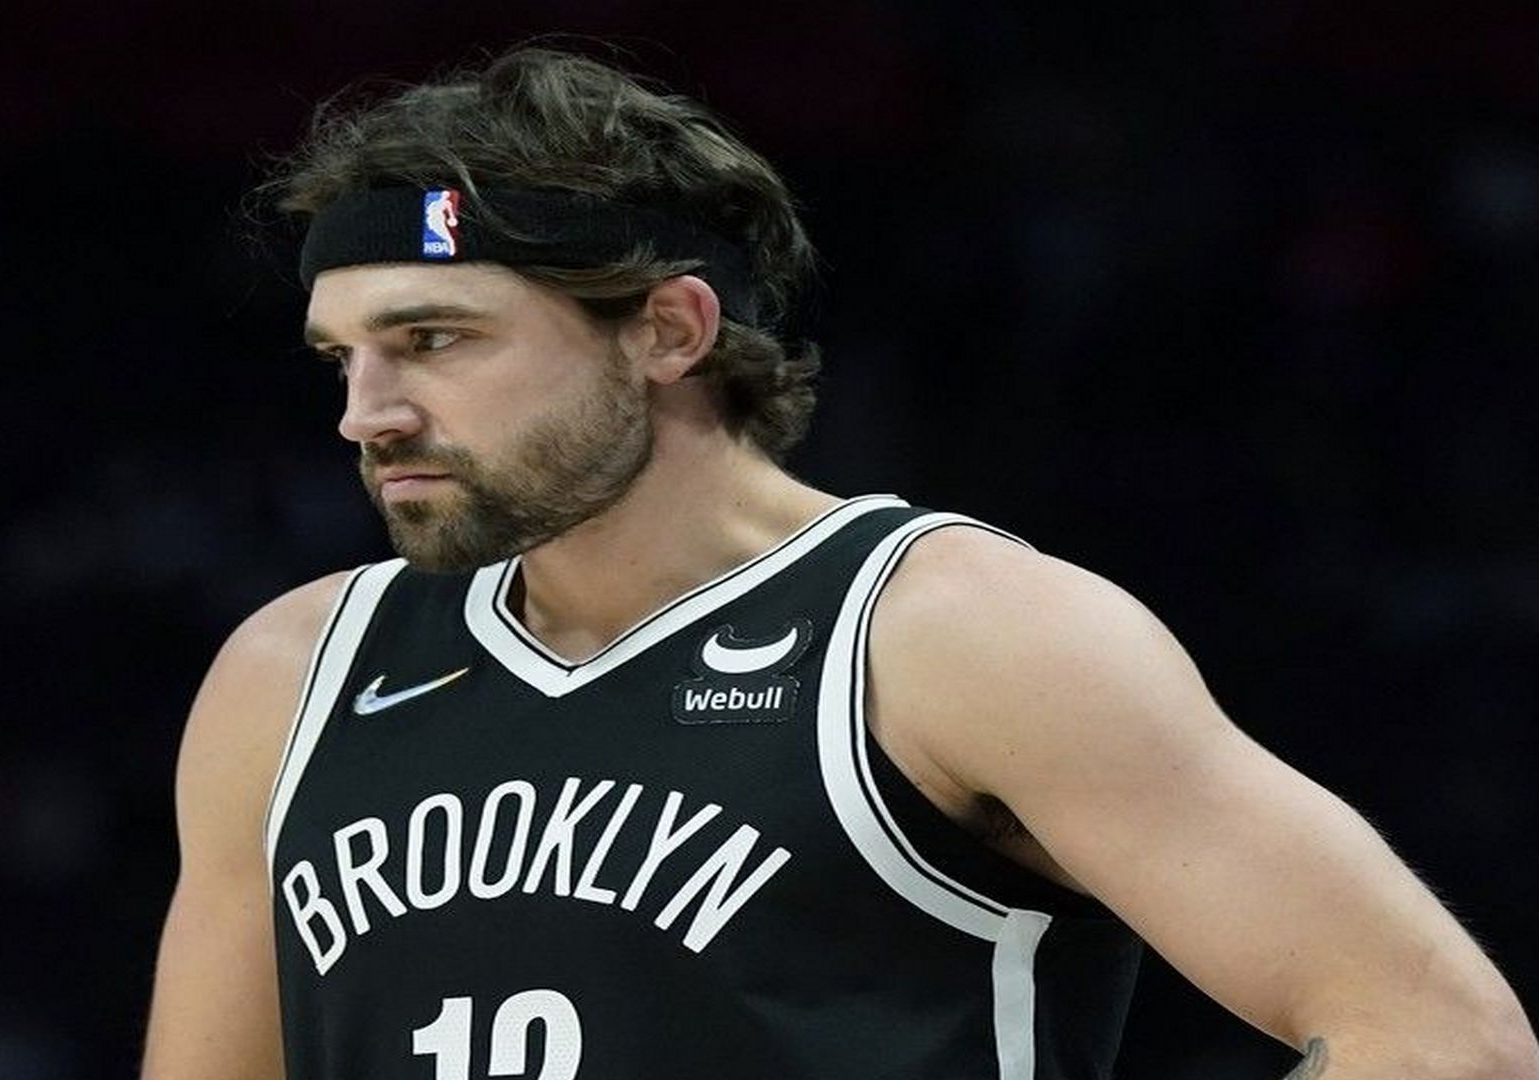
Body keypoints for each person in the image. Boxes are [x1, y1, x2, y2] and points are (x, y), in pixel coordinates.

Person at [140, 46, 1538, 1080]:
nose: (366, 412)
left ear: (670, 332)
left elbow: (1435, 1038)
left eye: (433, 339)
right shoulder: (291, 673)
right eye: (343, 355)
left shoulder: (957, 634)